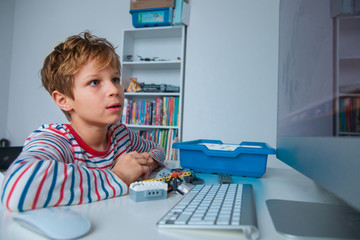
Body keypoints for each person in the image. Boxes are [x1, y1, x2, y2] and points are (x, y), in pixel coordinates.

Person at [0, 32, 165, 212]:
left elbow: (157, 149)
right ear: (64, 100)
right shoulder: (56, 139)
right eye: (94, 82)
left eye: (115, 79)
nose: (114, 90)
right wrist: (119, 176)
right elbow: (18, 187)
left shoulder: (121, 134)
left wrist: (147, 163)